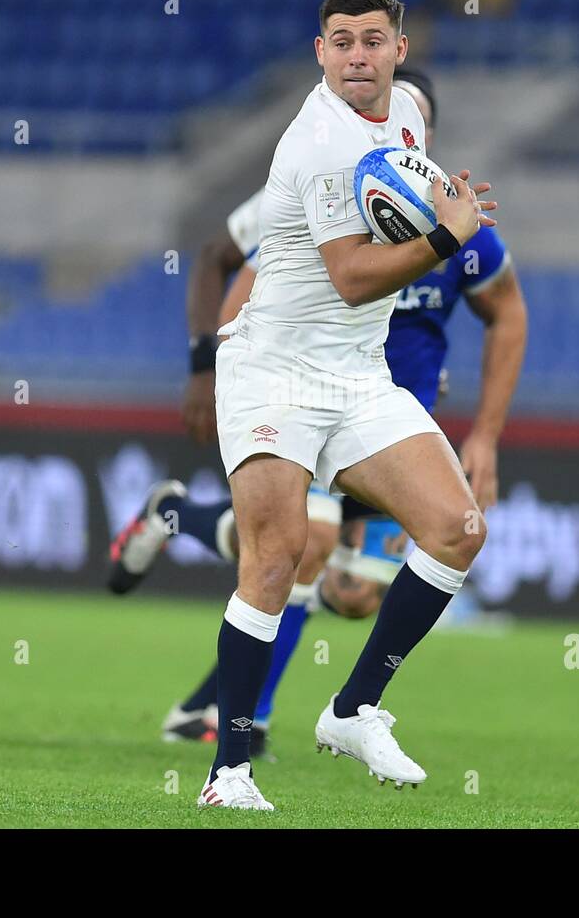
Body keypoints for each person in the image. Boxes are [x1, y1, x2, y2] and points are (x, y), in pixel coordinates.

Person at [108, 67, 528, 769]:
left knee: (359, 591)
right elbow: (226, 259)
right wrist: (216, 367)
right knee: (297, 548)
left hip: (384, 410)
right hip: (297, 390)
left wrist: (485, 432)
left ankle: (178, 520)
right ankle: (242, 727)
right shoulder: (318, 180)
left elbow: (508, 310)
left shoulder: (448, 217)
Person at [194, 0, 497, 810]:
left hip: (358, 376)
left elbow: (406, 212)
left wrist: (447, 209)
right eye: (341, 40)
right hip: (273, 370)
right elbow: (352, 276)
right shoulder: (318, 139)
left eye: (373, 39)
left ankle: (355, 708)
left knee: (457, 528)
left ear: (401, 50)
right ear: (319, 52)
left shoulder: (407, 115)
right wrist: (447, 235)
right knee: (278, 555)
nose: (357, 54)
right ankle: (228, 773)